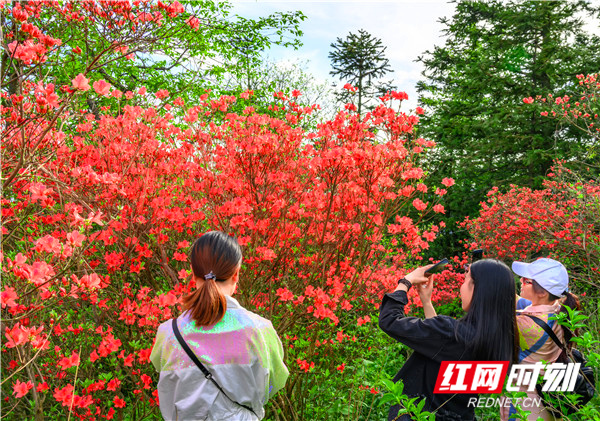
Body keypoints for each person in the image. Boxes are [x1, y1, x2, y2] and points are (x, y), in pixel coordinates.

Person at [150, 231, 289, 421]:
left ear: (193, 272)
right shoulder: (259, 330)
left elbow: (168, 383)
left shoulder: (168, 333)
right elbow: (273, 383)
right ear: (236, 274)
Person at [379, 259, 519, 421]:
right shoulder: (498, 342)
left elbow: (389, 320)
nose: (461, 287)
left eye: (466, 279)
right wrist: (426, 302)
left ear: (479, 290)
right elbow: (444, 350)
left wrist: (405, 281)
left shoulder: (452, 333)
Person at [501, 258, 580, 421]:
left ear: (543, 292)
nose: (520, 281)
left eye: (527, 281)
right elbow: (520, 302)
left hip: (522, 409)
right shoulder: (559, 311)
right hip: (546, 405)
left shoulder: (525, 323)